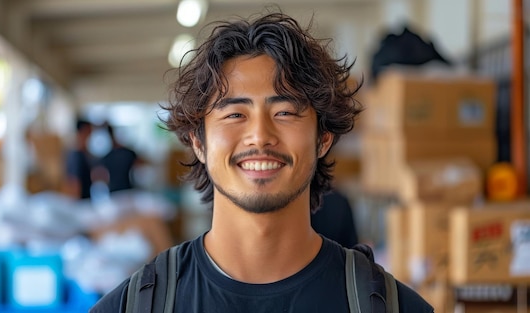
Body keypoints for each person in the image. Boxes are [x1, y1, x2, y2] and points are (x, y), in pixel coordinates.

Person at [91, 10, 432, 312]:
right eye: (235, 114)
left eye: (284, 112)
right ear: (198, 142)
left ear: (323, 138)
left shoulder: (388, 305)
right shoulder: (135, 304)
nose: (260, 135)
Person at [90, 123, 140, 193]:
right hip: (127, 190)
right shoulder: (127, 152)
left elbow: (97, 175)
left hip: (115, 191)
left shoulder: (106, 156)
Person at [64, 119, 94, 199]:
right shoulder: (76, 155)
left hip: (86, 199)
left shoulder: (84, 153)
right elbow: (74, 182)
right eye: (89, 132)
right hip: (80, 202)